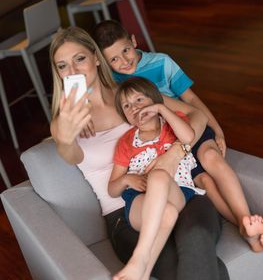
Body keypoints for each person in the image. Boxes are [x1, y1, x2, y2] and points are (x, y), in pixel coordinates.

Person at [49, 26, 230, 280]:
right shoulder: (64, 119)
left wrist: (175, 154)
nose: (73, 71)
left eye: (79, 59)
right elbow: (71, 155)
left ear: (96, 59)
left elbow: (195, 115)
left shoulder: (131, 93)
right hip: (125, 215)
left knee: (197, 240)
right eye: (62, 66)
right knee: (190, 267)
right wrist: (66, 138)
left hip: (180, 192)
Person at [92, 19, 263, 252]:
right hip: (166, 139)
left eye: (125, 51)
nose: (123, 61)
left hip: (187, 125)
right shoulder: (114, 83)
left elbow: (191, 101)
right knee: (204, 181)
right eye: (114, 59)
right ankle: (243, 227)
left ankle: (246, 217)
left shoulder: (161, 62)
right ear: (104, 62)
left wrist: (217, 128)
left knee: (212, 157)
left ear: (133, 41)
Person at [109, 76, 206, 280]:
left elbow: (188, 137)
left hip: (177, 191)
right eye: (126, 106)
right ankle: (141, 273)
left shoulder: (171, 123)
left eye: (139, 100)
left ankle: (139, 256)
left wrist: (162, 109)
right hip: (140, 200)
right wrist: (127, 179)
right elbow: (112, 189)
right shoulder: (126, 142)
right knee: (168, 213)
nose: (134, 108)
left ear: (154, 100)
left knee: (160, 176)